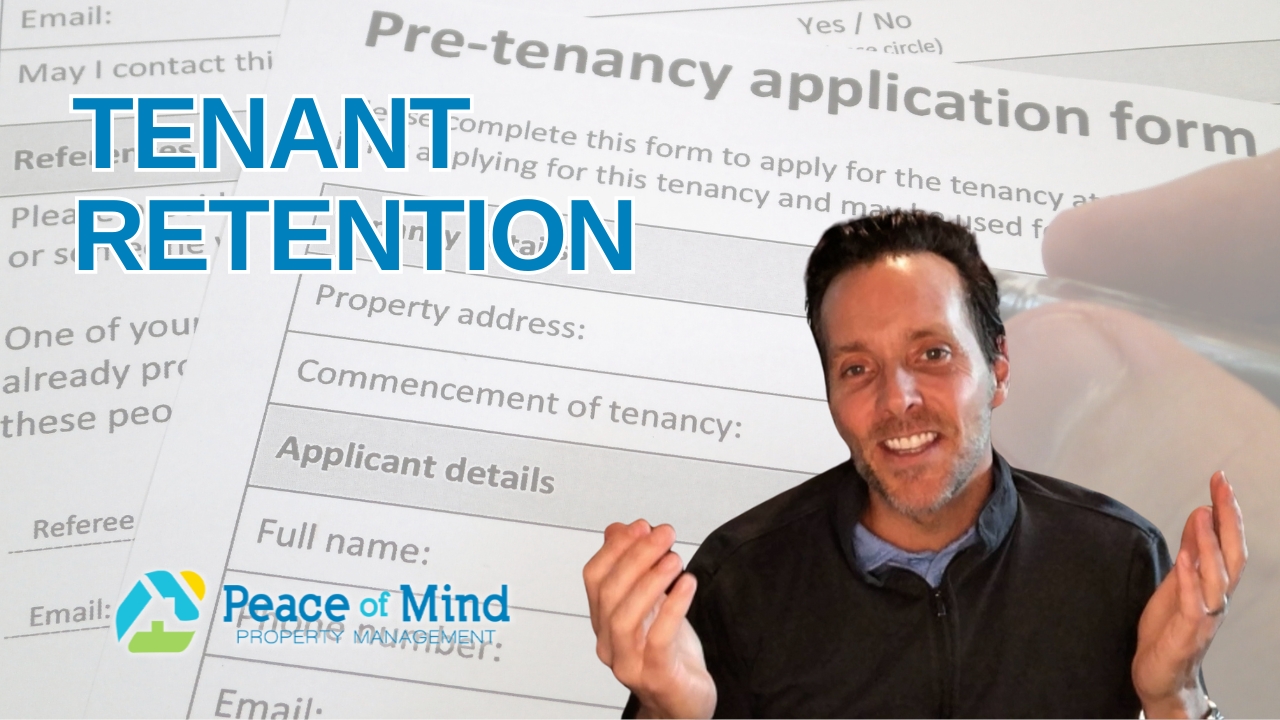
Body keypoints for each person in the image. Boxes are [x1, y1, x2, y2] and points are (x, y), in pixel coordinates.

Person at [582, 210, 1247, 718]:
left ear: (999, 369)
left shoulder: (1117, 558)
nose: (896, 400)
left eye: (932, 354)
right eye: (857, 368)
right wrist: (672, 714)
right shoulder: (739, 580)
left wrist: (1175, 698)